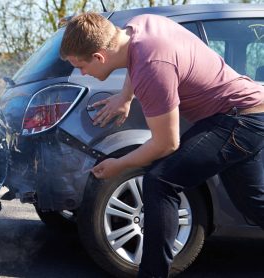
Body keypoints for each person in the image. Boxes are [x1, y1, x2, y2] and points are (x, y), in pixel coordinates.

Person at [60, 12, 264, 277]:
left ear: (99, 56)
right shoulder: (140, 25)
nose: (82, 72)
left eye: (81, 66)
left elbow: (166, 144)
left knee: (160, 181)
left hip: (239, 120)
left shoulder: (152, 66)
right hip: (248, 112)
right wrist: (125, 96)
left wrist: (119, 166)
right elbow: (138, 58)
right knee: (254, 203)